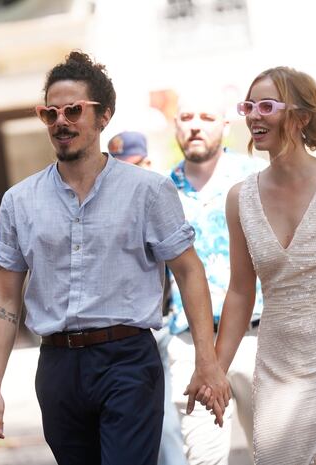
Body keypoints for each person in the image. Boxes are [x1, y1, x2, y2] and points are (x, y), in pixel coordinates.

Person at [0, 51, 231, 465]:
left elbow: (188, 271)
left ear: (104, 116)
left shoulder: (148, 191)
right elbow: (4, 295)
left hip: (128, 360)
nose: (62, 122)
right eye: (50, 113)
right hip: (57, 366)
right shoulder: (19, 201)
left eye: (74, 110)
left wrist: (207, 361)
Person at [215, 66, 316, 464]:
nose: (253, 115)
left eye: (267, 105)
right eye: (248, 106)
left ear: (301, 117)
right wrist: (215, 369)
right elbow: (239, 291)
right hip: (279, 369)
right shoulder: (240, 199)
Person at [167, 90, 266, 465]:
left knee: (275, 452)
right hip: (191, 344)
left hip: (257, 336)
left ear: (225, 124)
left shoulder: (256, 179)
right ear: (175, 125)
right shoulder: (158, 190)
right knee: (203, 458)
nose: (195, 126)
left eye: (206, 118)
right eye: (187, 117)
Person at [108, 130, 188, 465]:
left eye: (136, 164)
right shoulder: (109, 205)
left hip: (170, 326)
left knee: (169, 428)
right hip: (128, 335)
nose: (129, 172)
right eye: (120, 166)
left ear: (149, 162)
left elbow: (187, 269)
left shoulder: (161, 193)